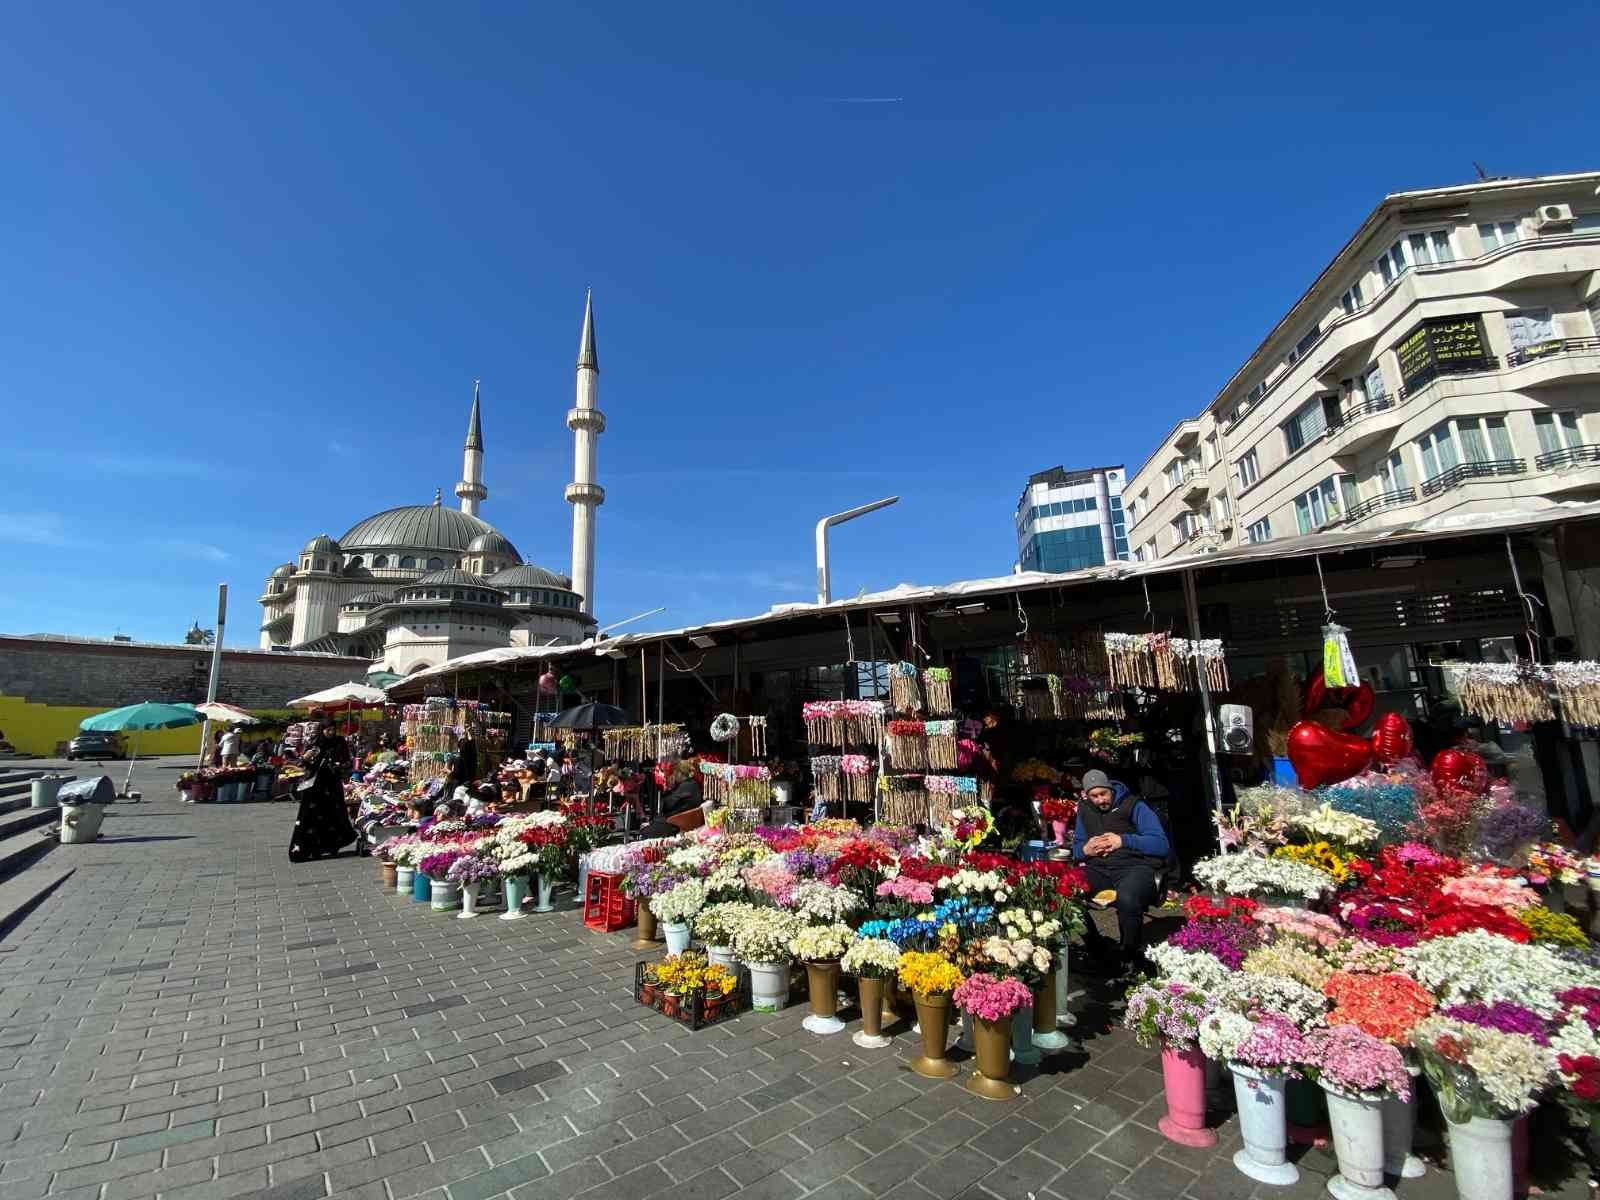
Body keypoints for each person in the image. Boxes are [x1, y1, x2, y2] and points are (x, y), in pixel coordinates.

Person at [1072, 768, 1171, 976]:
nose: (1100, 800)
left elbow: (1161, 844)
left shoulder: (1134, 805)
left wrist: (1123, 840)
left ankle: (1129, 954)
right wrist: (1084, 850)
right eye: (1094, 796)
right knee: (1067, 891)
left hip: (1134, 866)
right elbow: (1077, 847)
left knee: (1128, 899)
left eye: (1103, 794)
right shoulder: (1085, 809)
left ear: (1110, 789)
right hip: (1099, 868)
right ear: (1087, 795)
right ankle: (1095, 945)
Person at [288, 714, 358, 862]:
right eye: (328, 730)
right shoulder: (316, 743)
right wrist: (305, 758)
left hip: (332, 785)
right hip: (315, 786)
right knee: (312, 816)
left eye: (333, 729)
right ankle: (312, 848)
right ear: (322, 730)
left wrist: (340, 766)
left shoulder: (340, 742)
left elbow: (346, 761)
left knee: (334, 814)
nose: (331, 732)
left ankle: (333, 845)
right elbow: (303, 764)